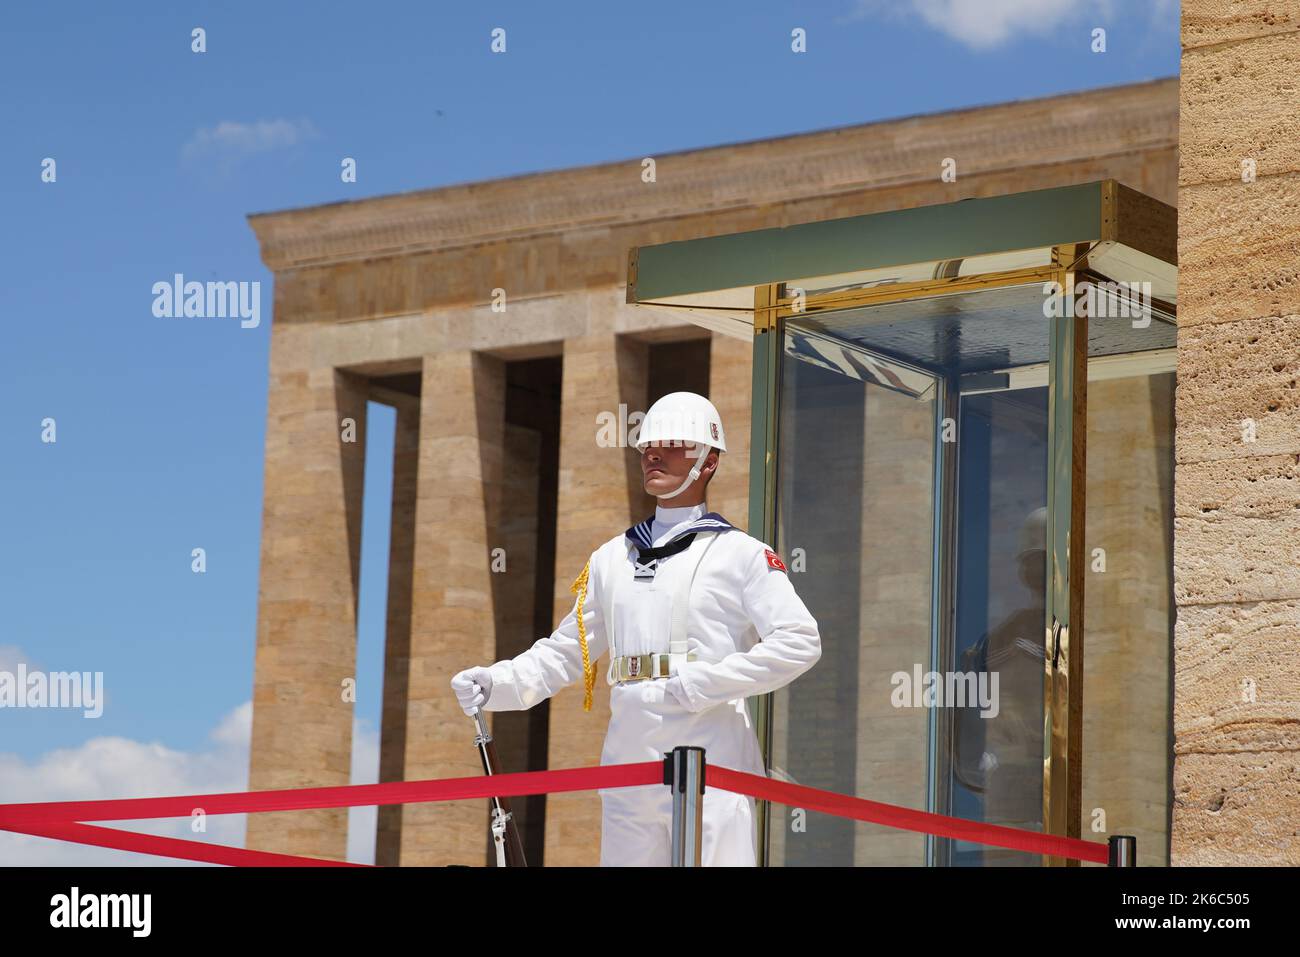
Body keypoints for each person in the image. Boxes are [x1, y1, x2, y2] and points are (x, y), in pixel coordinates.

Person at [451, 391, 822, 866]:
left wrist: (700, 685)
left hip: (710, 750)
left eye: (672, 445)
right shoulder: (611, 558)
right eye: (648, 445)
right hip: (629, 754)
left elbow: (799, 641)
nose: (653, 454)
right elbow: (567, 652)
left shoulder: (742, 554)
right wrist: (497, 683)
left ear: (707, 461)